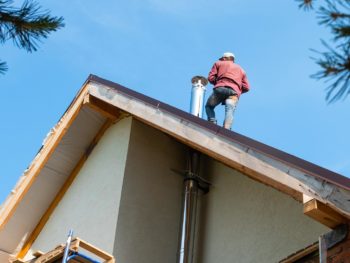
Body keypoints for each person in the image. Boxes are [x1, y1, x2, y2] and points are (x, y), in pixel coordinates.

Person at [205, 52, 250, 129]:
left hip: (220, 88)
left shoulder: (218, 63)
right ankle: (226, 129)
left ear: (225, 58)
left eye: (222, 59)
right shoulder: (241, 70)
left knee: (209, 106)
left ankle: (212, 122)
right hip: (234, 93)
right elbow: (247, 87)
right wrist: (237, 88)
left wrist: (219, 82)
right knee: (229, 110)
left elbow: (210, 78)